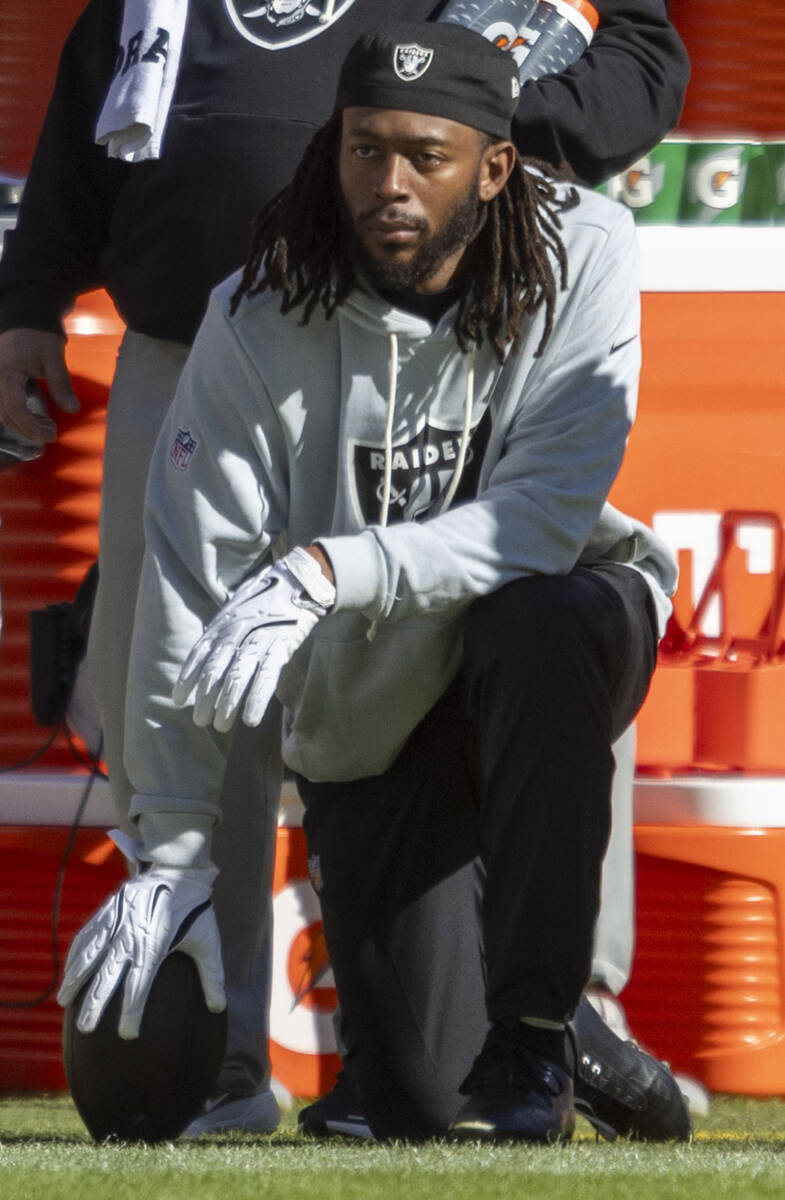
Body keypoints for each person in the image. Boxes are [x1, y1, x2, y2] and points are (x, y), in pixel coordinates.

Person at [0, 0, 689, 1135]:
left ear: (496, 163)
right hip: (372, 690)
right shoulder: (262, 301)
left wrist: (331, 569)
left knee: (543, 620)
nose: (390, 184)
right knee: (422, 1100)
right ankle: (477, 1041)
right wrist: (168, 851)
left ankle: (536, 1024)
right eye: (365, 148)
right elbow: (186, 583)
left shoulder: (581, 253)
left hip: (530, 623)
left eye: (428, 154)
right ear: (332, 148)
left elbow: (545, 518)